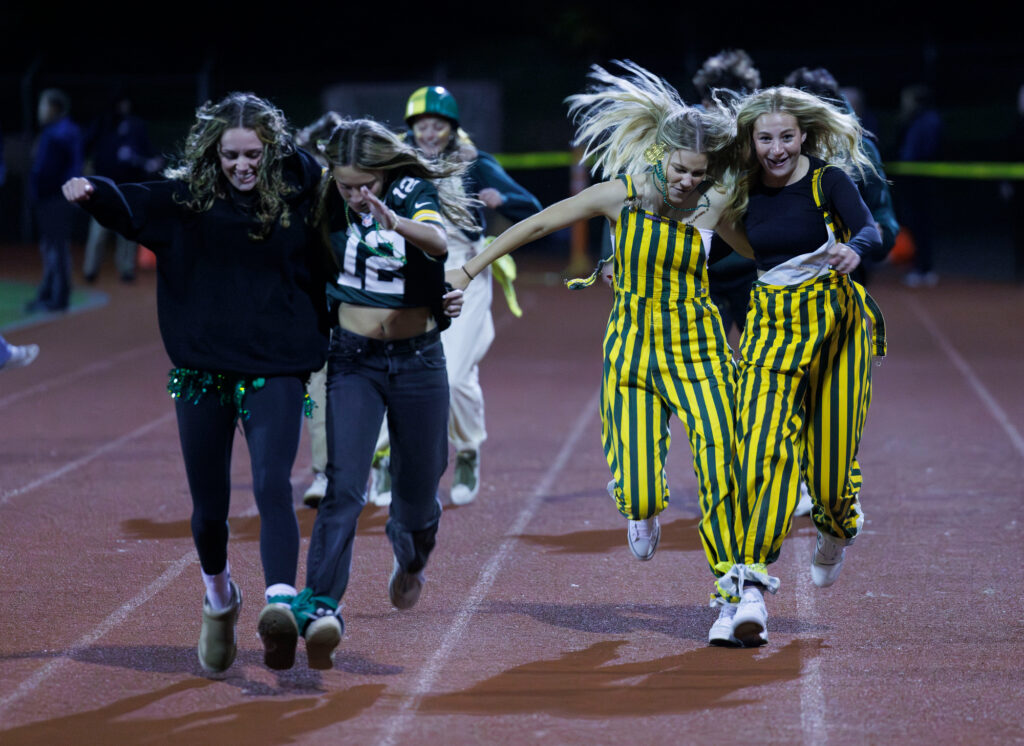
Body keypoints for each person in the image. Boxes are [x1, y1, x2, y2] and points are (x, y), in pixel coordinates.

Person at [447, 61, 748, 645]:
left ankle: (730, 595)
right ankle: (641, 508)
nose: (690, 184)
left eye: (701, 174)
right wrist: (468, 267)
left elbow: (767, 251)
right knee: (638, 488)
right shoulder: (619, 195)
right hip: (633, 356)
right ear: (661, 157)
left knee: (721, 468)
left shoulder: (716, 206)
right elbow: (537, 226)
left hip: (702, 352)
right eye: (682, 171)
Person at [62, 92, 332, 674]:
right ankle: (219, 600)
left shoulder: (298, 192)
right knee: (210, 508)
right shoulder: (183, 198)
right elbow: (128, 202)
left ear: (271, 150)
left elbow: (343, 211)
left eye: (254, 155)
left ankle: (280, 603)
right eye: (231, 155)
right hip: (203, 370)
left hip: (275, 365)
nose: (243, 166)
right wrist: (91, 192)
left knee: (272, 483)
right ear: (212, 152)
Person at [290, 117, 476, 670]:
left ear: (385, 170)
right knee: (344, 483)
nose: (355, 194)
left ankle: (411, 555)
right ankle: (321, 603)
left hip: (418, 358)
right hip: (352, 360)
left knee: (420, 489)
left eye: (364, 183)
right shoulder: (325, 197)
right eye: (346, 185)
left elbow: (438, 241)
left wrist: (391, 219)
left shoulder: (408, 190)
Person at [715, 87, 884, 647]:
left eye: (786, 136)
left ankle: (837, 525)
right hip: (770, 330)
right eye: (766, 138)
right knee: (761, 449)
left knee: (832, 478)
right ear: (752, 141)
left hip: (836, 332)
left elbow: (871, 229)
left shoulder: (827, 180)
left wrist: (855, 248)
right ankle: (750, 590)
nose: (777, 148)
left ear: (803, 136)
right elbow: (715, 239)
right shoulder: (739, 187)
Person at [366, 86, 543, 508]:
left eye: (438, 125)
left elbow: (531, 206)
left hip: (466, 269)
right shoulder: (396, 163)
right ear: (411, 129)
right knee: (388, 365)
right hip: (403, 270)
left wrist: (504, 198)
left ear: (451, 128)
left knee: (455, 375)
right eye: (422, 125)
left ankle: (466, 449)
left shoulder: (474, 162)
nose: (429, 133)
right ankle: (384, 458)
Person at [82, 92, 162, 283]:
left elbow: (146, 150)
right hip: (102, 186)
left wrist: (151, 162)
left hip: (128, 186)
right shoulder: (103, 123)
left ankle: (126, 270)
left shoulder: (136, 124)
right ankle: (90, 270)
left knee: (127, 232)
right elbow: (87, 146)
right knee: (98, 231)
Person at [27, 89, 83, 313]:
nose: (40, 110)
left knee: (56, 248)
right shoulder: (54, 132)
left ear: (54, 108)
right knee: (49, 247)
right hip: (49, 198)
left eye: (44, 105)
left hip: (56, 198)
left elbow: (54, 168)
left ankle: (59, 297)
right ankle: (49, 293)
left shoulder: (61, 132)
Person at [896, 84, 942, 287]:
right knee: (914, 224)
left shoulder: (928, 120)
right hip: (912, 178)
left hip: (922, 180)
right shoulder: (912, 119)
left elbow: (926, 149)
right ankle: (920, 266)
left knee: (921, 224)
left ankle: (923, 268)